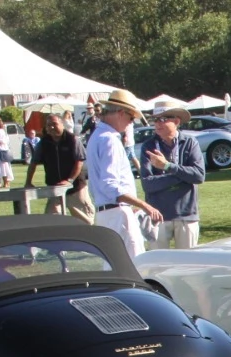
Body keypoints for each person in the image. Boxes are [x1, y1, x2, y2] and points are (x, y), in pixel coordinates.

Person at [86, 88, 161, 257]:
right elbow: (110, 185)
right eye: (131, 117)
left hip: (107, 212)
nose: (131, 123)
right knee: (134, 266)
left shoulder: (97, 136)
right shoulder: (109, 140)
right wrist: (144, 205)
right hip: (117, 212)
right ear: (120, 113)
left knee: (114, 266)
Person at [139, 102, 205, 249]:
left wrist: (167, 166)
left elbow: (199, 176)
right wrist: (181, 176)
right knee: (158, 266)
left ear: (176, 121)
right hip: (158, 216)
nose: (157, 124)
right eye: (155, 120)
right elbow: (148, 184)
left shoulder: (189, 143)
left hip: (186, 215)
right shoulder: (148, 147)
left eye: (162, 119)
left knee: (187, 266)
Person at [25, 113, 89, 218]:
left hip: (76, 188)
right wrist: (28, 182)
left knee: (84, 221)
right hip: (54, 188)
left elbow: (79, 162)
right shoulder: (43, 143)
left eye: (54, 124)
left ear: (62, 124)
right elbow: (33, 163)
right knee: (52, 220)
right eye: (48, 125)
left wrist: (69, 180)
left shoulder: (73, 140)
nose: (51, 127)